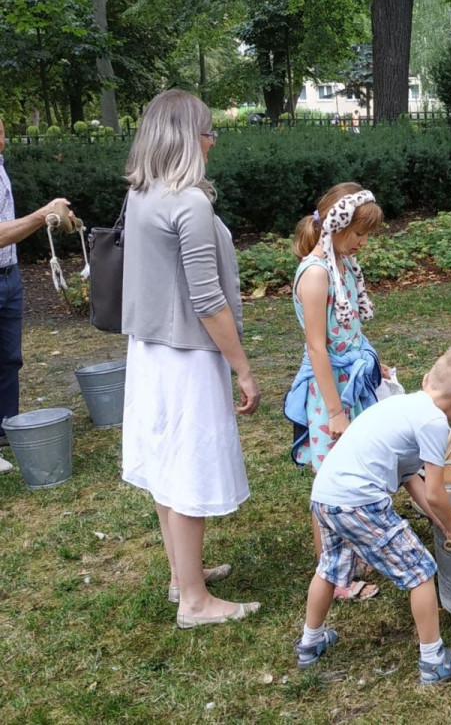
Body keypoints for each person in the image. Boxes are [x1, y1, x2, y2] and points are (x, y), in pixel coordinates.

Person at [120, 89, 261, 627]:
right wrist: (241, 366)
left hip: (149, 350)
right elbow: (207, 300)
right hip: (187, 354)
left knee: (165, 465)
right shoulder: (190, 202)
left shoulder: (144, 192)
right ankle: (196, 603)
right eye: (209, 131)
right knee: (190, 468)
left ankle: (184, 577)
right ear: (188, 138)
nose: (213, 142)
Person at [295, 347, 451, 684]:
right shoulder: (434, 422)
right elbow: (436, 492)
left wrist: (442, 522)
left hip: (325, 497)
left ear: (427, 379)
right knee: (421, 571)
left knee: (330, 567)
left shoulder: (401, 406)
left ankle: (310, 643)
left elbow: (410, 478)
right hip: (359, 502)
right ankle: (434, 660)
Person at [283, 182, 385, 601]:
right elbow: (317, 347)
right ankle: (334, 574)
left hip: (350, 386)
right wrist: (334, 412)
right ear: (338, 226)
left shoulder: (341, 264)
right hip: (330, 394)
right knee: (329, 483)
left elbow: (348, 333)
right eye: (359, 234)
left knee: (353, 474)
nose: (363, 242)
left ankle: (350, 556)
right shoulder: (316, 273)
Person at [0, 118, 74, 455]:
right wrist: (42, 214)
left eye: (1, 131)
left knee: (9, 360)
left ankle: (7, 434)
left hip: (10, 277)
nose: (0, 139)